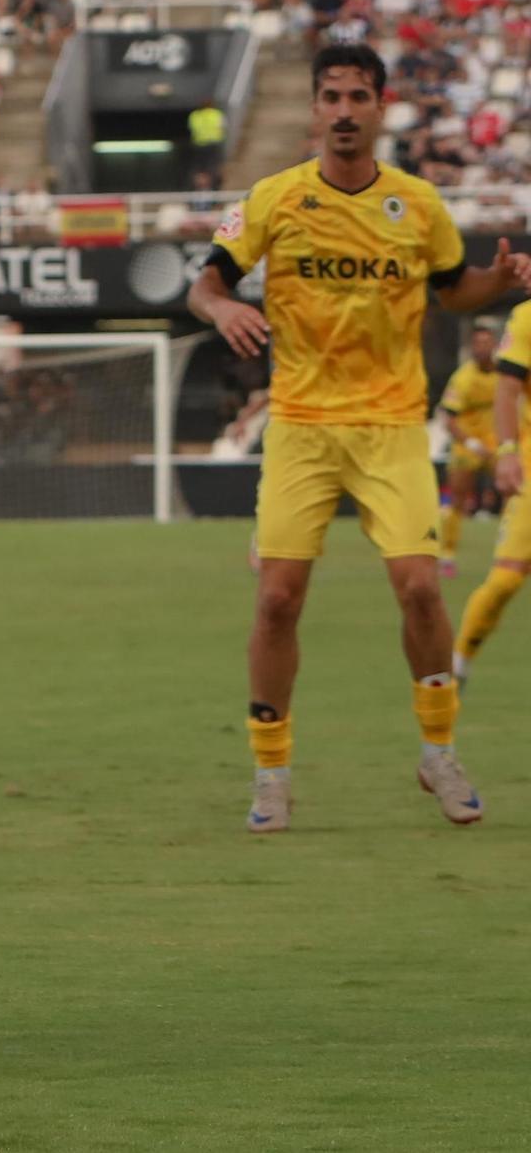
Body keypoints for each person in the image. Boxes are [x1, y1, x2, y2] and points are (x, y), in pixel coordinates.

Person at [186, 43, 531, 834]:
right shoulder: (274, 199)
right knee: (277, 599)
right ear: (314, 109)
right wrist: (225, 308)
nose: (344, 110)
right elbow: (205, 283)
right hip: (302, 426)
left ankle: (438, 751)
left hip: (391, 425)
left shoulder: (419, 204)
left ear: (381, 109)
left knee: (418, 585)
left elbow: (454, 292)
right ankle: (271, 772)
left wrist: (498, 281)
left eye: (359, 97)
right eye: (331, 96)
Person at [455, 300, 531, 685]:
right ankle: (458, 663)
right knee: (507, 578)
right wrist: (507, 451)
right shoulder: (527, 317)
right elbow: (508, 389)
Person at [434, 321, 500, 578]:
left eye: (486, 343)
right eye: (478, 343)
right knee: (458, 502)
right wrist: (472, 443)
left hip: (497, 445)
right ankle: (447, 556)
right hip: (468, 446)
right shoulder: (463, 379)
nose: (482, 348)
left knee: (519, 496)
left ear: (494, 344)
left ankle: (516, 553)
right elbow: (448, 419)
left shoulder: (504, 374)